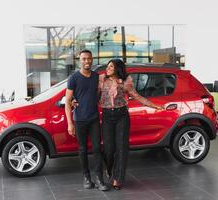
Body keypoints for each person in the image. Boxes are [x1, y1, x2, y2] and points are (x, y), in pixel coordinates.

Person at [99, 59, 164, 190]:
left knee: (122, 148)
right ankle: (109, 169)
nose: (108, 68)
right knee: (108, 149)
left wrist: (154, 105)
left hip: (122, 115)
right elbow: (91, 94)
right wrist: (75, 100)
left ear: (117, 68)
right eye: (108, 66)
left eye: (111, 66)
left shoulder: (126, 81)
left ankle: (118, 179)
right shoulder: (101, 79)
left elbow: (137, 96)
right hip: (106, 116)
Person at [65, 49, 108, 191]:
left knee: (97, 148)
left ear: (92, 59)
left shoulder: (96, 77)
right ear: (80, 60)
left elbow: (99, 94)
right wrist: (70, 123)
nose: (87, 61)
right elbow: (67, 101)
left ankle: (99, 178)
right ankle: (86, 177)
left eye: (89, 58)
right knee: (82, 149)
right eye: (84, 59)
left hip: (94, 118)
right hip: (79, 120)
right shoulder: (74, 78)